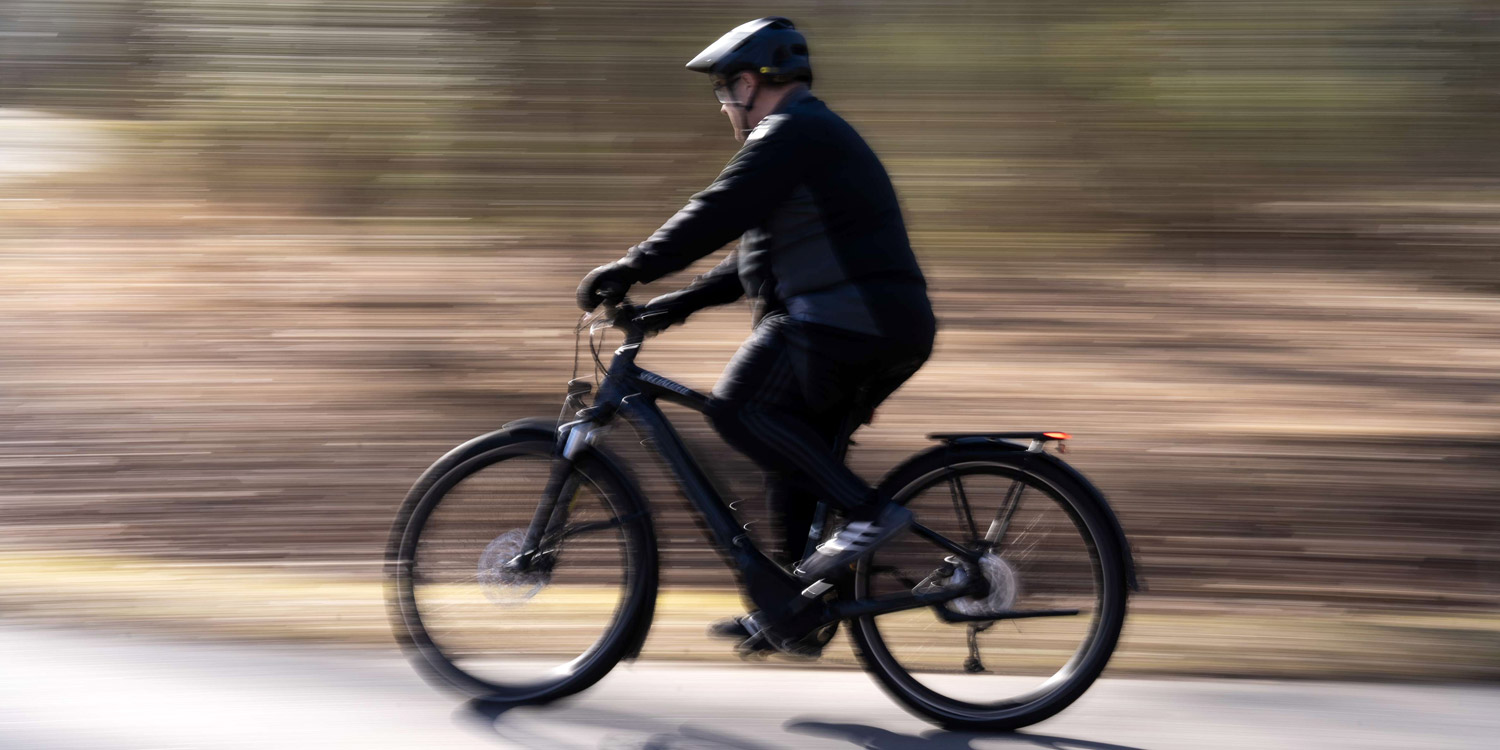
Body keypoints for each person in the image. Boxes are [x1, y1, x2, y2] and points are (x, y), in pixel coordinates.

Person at [575, 17, 936, 649]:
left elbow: (717, 210)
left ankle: (872, 514)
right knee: (790, 461)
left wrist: (631, 266)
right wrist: (670, 306)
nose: (723, 107)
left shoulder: (791, 132)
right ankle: (797, 612)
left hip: (850, 322)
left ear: (748, 83)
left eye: (723, 91)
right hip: (878, 325)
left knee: (740, 407)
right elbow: (753, 257)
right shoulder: (806, 137)